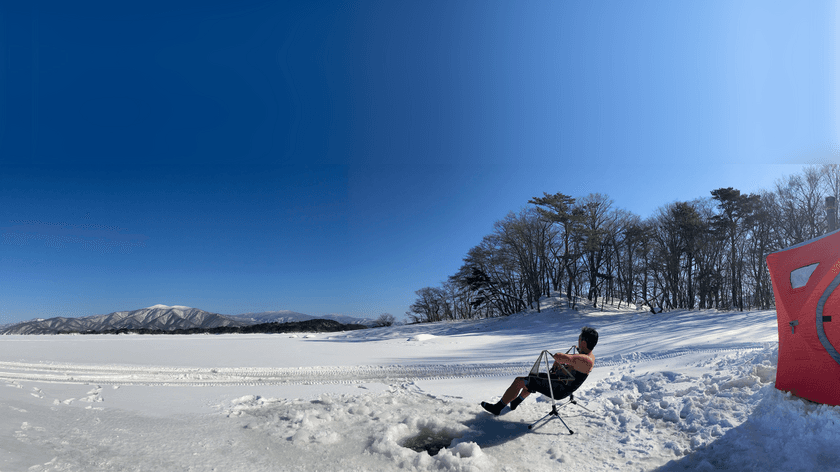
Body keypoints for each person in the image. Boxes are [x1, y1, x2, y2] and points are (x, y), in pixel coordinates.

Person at [481, 326, 598, 416]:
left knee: (519, 381)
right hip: (562, 383)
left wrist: (561, 359)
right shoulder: (589, 356)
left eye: (579, 339)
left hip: (559, 389)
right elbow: (573, 362)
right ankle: (516, 402)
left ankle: (497, 408)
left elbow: (559, 357)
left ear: (583, 342)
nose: (577, 341)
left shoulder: (585, 359)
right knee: (533, 376)